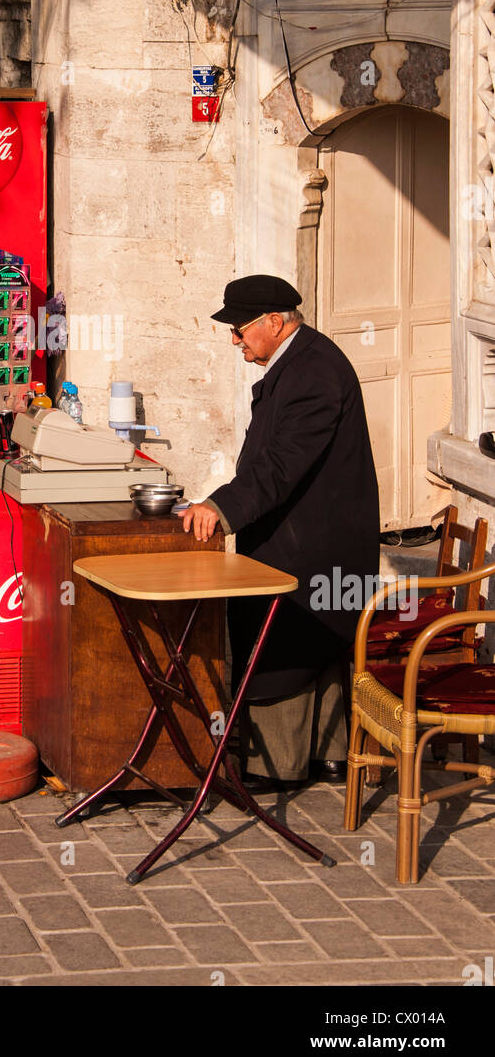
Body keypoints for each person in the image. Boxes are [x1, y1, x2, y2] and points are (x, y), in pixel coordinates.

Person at [182, 274, 380, 788]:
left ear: (275, 322)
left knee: (289, 635)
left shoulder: (313, 371)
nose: (234, 339)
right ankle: (328, 754)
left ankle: (278, 766)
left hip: (314, 540)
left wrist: (222, 508)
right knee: (314, 636)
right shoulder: (301, 359)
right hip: (312, 533)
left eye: (240, 328)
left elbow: (282, 464)